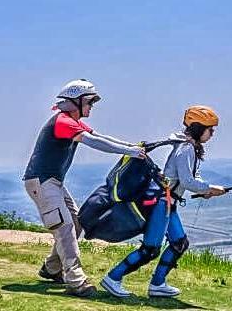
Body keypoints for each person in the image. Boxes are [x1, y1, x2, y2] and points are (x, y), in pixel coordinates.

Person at [23, 79, 146, 297]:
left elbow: (99, 137)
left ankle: (51, 269)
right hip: (42, 182)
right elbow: (94, 142)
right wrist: (131, 152)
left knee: (76, 224)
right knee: (65, 227)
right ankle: (76, 280)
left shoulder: (71, 121)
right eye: (89, 102)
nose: (91, 107)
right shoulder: (63, 122)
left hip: (53, 182)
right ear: (77, 102)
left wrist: (131, 148)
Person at [100, 105, 226, 298]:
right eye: (210, 129)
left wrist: (206, 190)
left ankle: (158, 284)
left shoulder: (187, 146)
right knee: (150, 249)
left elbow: (190, 177)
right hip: (162, 203)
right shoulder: (186, 149)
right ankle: (113, 278)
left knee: (179, 243)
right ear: (200, 128)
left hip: (167, 202)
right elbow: (187, 181)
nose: (212, 134)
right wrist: (210, 189)